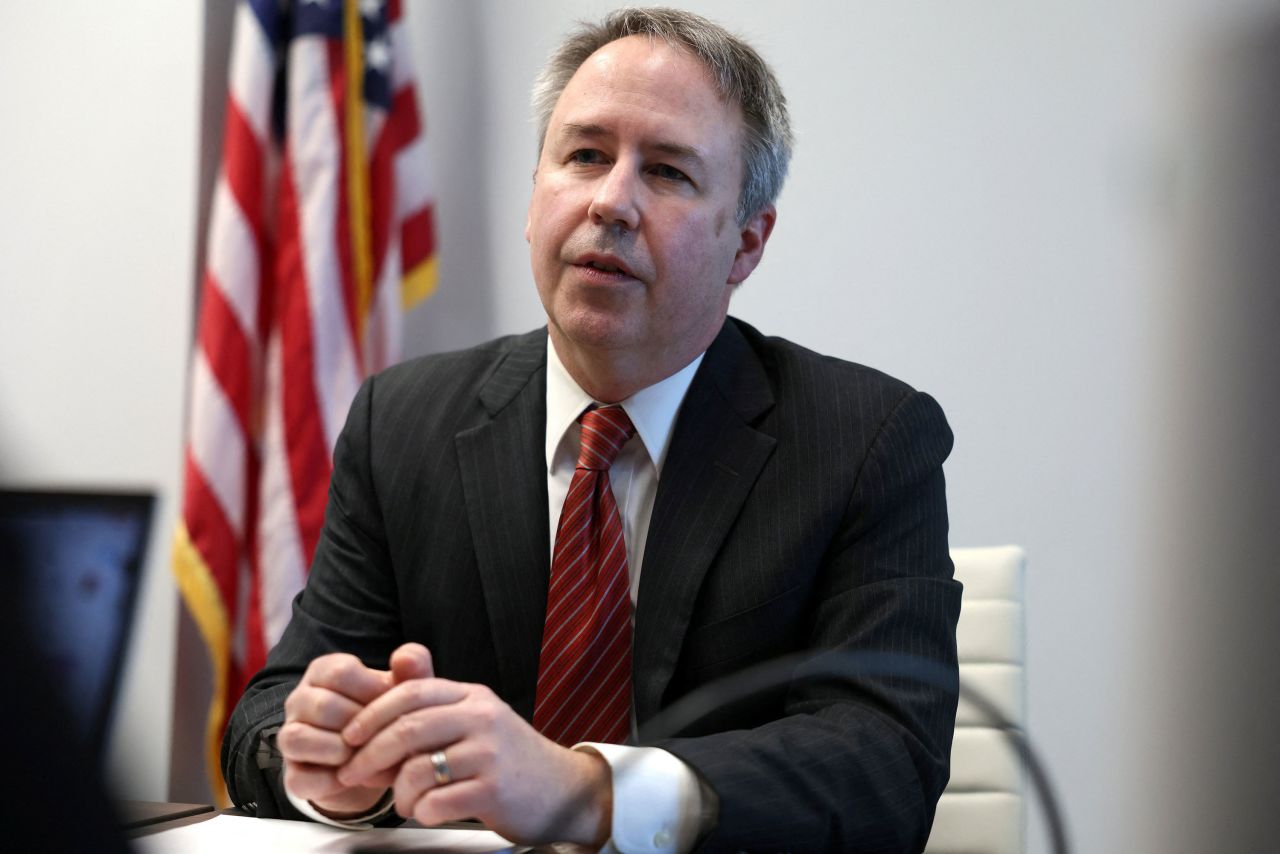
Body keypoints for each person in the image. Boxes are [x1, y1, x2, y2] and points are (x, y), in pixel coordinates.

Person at [223, 8, 961, 852]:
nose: (611, 201)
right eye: (585, 156)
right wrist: (324, 768)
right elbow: (268, 715)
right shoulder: (404, 422)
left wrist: (588, 791)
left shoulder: (864, 440)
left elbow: (884, 763)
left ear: (747, 244)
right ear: (535, 197)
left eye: (670, 173)